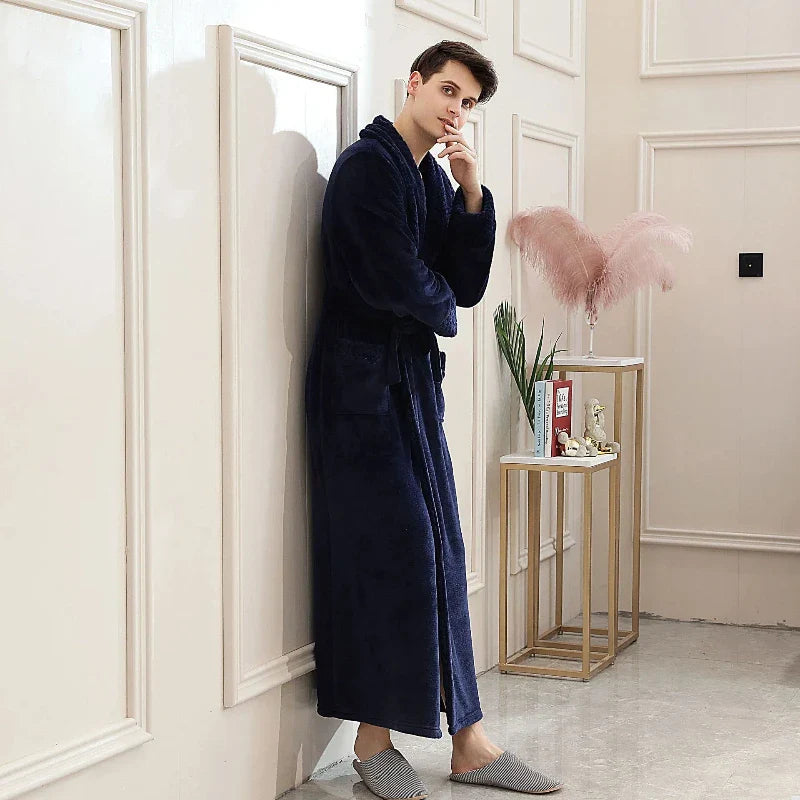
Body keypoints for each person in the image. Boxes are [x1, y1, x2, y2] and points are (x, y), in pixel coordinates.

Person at [304, 41, 563, 798]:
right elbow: (401, 283)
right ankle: (374, 738)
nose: (456, 109)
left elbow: (464, 284)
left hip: (409, 387)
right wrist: (439, 306)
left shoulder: (427, 176)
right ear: (414, 83)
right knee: (393, 555)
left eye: (469, 102)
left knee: (440, 552)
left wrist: (472, 192)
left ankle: (467, 740)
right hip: (360, 392)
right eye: (448, 90)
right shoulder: (366, 168)